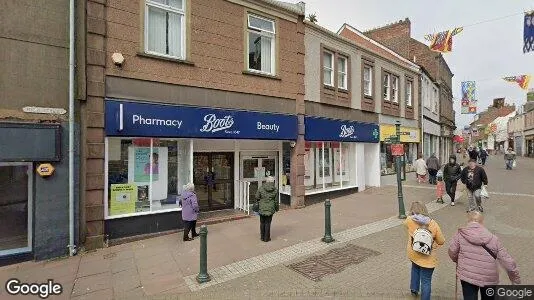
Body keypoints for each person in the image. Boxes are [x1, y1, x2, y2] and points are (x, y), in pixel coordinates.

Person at [448, 211, 521, 300]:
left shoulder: (460, 234)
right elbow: (507, 262)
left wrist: (457, 260)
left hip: (467, 276)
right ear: (482, 222)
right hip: (489, 278)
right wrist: (515, 279)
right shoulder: (493, 239)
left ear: (468, 221)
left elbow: (452, 251)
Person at [404, 201, 445, 300]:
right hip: (428, 257)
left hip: (414, 252)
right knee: (426, 280)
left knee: (415, 268)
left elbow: (405, 224)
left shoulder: (409, 220)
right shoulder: (433, 224)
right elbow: (441, 241)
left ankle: (414, 289)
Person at [255, 176, 279, 242]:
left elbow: (257, 196)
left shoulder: (261, 188)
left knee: (262, 222)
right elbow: (276, 201)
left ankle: (262, 237)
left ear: (266, 181)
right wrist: (277, 209)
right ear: (272, 182)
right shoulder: (275, 189)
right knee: (268, 223)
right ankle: (267, 238)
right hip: (270, 208)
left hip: (262, 207)